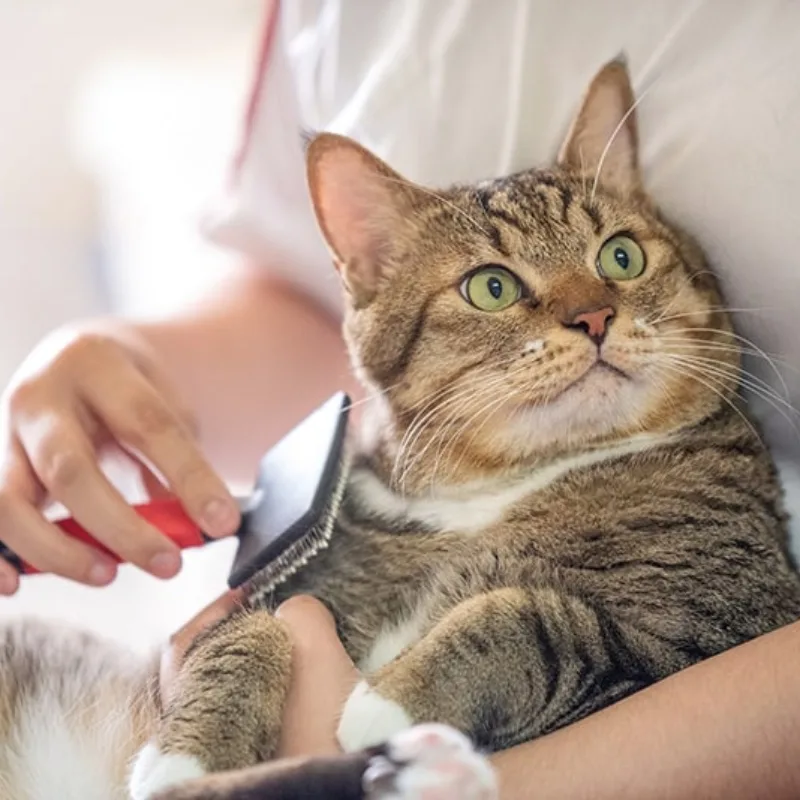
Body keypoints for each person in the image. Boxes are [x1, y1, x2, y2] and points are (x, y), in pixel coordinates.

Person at [2, 1, 800, 796]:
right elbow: (303, 307)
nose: (589, 312)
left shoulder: (706, 517)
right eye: (497, 287)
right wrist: (132, 361)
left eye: (619, 255)